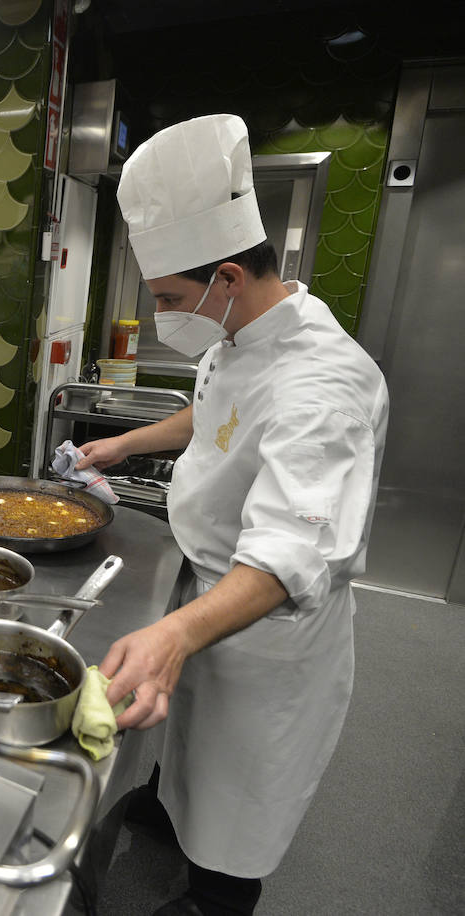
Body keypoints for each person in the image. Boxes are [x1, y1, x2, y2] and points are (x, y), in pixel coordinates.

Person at [74, 115, 389, 916]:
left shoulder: (324, 387)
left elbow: (287, 558)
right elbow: (210, 415)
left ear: (226, 276)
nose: (167, 314)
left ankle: (220, 894)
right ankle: (171, 811)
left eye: (172, 299)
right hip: (208, 581)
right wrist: (121, 445)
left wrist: (174, 632)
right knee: (188, 749)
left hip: (266, 626)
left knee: (244, 780)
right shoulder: (240, 332)